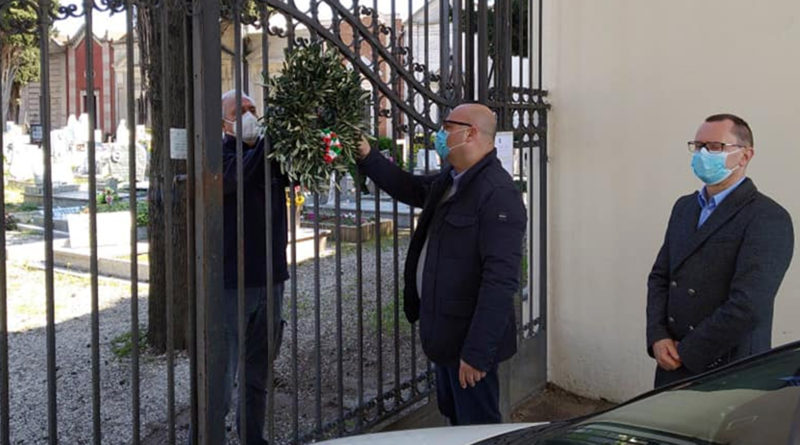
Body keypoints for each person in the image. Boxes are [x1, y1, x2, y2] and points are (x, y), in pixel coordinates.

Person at [357, 103, 527, 425]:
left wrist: (476, 353)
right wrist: (368, 155)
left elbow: (500, 282)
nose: (439, 135)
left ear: (471, 133)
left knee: (477, 427)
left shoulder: (497, 194)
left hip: (470, 345)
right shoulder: (452, 178)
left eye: (447, 127)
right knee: (454, 419)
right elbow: (408, 186)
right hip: (445, 336)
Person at [646, 113, 793, 388]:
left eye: (714, 147)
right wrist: (658, 336)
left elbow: (749, 304)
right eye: (698, 146)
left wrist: (688, 351)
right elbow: (660, 276)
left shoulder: (767, 217)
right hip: (671, 359)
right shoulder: (684, 207)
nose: (703, 154)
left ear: (745, 156)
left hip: (728, 367)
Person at [211, 90, 289, 443]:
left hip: (271, 279)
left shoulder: (269, 156)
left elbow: (298, 168)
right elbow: (240, 176)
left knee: (258, 373)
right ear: (223, 122)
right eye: (239, 111)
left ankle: (252, 438)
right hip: (231, 283)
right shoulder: (218, 156)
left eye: (253, 109)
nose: (249, 115)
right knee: (222, 376)